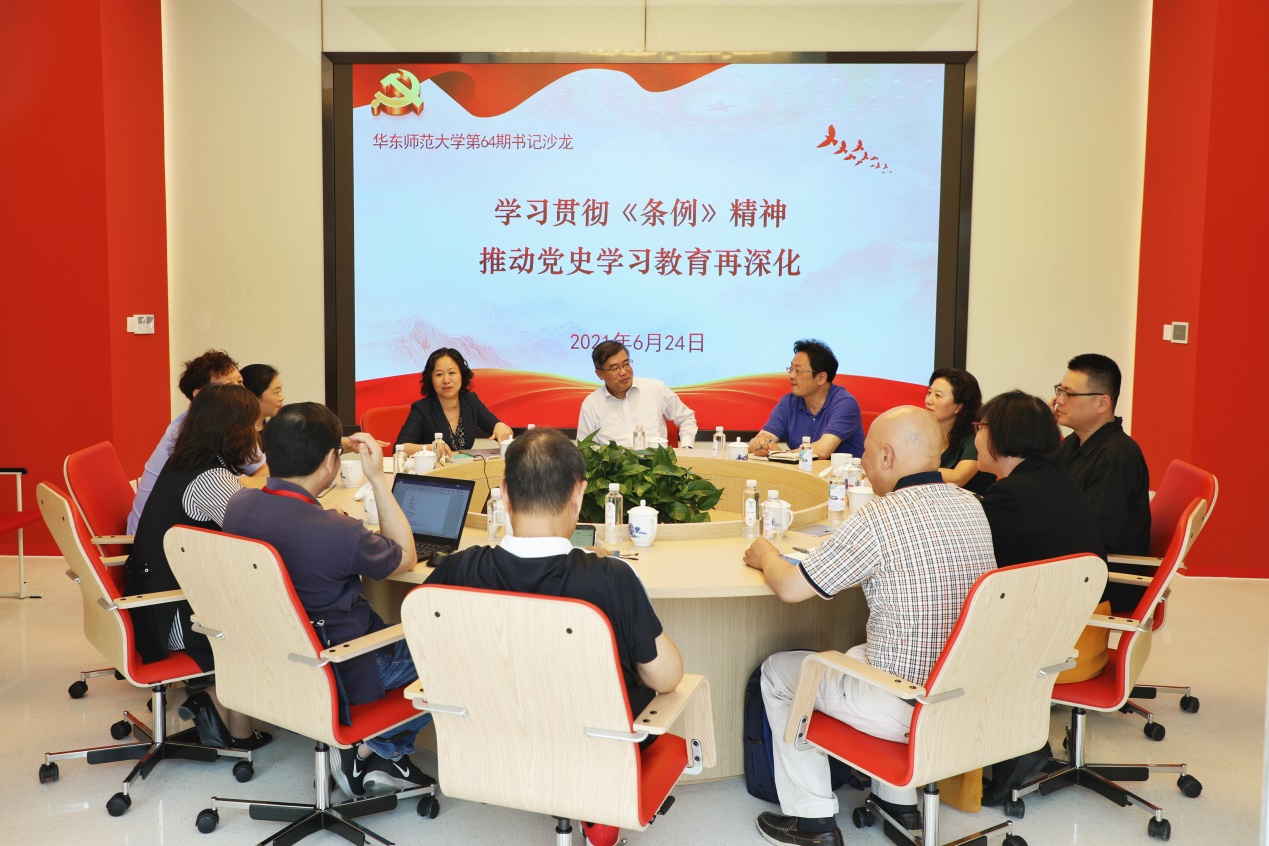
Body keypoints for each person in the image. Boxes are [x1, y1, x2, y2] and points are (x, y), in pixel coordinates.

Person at [742, 406, 995, 846]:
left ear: (886, 457)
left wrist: (765, 554)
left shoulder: (878, 517)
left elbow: (791, 588)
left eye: (866, 453)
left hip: (902, 702)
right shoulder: (971, 504)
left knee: (779, 673)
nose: (861, 462)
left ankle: (813, 820)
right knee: (863, 651)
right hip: (965, 690)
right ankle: (898, 803)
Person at [426, 426, 684, 846]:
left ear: (504, 494)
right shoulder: (610, 577)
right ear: (578, 496)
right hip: (596, 754)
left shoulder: (457, 570)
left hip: (488, 747)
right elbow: (667, 679)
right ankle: (595, 814)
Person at [223, 402, 434, 798]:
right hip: (343, 664)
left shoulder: (238, 505)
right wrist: (377, 479)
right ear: (329, 461)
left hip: (273, 658)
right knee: (455, 651)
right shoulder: (335, 531)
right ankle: (379, 748)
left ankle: (368, 751)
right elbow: (406, 556)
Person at [973, 390, 1108, 806]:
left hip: (1052, 634)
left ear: (1000, 435)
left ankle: (1014, 749)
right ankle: (1023, 743)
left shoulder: (1010, 497)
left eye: (980, 428)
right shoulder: (1049, 479)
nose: (976, 437)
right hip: (1079, 620)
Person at [123, 383, 272, 750]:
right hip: (173, 618)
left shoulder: (183, 463)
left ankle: (225, 711)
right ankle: (232, 720)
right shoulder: (211, 479)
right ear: (234, 430)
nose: (257, 436)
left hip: (151, 603)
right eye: (253, 426)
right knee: (271, 616)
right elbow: (262, 537)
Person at [128, 349, 265, 534]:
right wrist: (246, 484)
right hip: (161, 539)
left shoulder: (229, 427)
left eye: (240, 382)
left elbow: (261, 472)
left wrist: (246, 483)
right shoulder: (184, 440)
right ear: (201, 396)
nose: (238, 391)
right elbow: (249, 524)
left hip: (189, 535)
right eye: (227, 387)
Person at [1051, 354, 1151, 603]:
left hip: (1104, 580)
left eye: (1068, 394)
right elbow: (1041, 483)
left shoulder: (1117, 456)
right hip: (1077, 563)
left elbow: (1097, 535)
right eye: (1059, 391)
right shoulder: (1075, 442)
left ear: (1102, 403)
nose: (1058, 401)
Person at [749, 339, 863, 460]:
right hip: (801, 471)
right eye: (790, 369)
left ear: (821, 378)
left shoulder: (845, 403)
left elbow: (822, 450)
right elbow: (757, 441)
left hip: (841, 472)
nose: (791, 376)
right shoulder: (788, 403)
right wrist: (759, 444)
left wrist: (781, 455)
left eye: (798, 371)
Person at [395, 347, 513, 462]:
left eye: (452, 373)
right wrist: (432, 449)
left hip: (464, 470)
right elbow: (400, 448)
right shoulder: (422, 408)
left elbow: (501, 430)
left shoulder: (471, 401)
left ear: (461, 375)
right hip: (433, 471)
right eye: (439, 374)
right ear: (431, 379)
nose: (446, 380)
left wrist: (500, 426)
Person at [576, 340, 698, 448]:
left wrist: (686, 447)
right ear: (600, 374)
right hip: (615, 467)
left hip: (657, 464)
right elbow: (585, 447)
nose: (623, 372)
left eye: (626, 364)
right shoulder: (591, 404)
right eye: (615, 368)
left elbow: (686, 418)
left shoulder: (656, 389)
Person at [925, 368, 994, 495]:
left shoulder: (975, 436)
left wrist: (912, 470)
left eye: (938, 395)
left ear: (958, 406)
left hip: (971, 505)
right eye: (929, 393)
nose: (928, 400)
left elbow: (958, 478)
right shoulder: (925, 432)